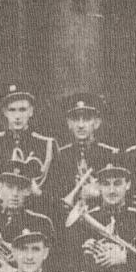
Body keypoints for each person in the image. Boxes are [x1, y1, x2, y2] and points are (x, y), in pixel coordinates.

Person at [60, 164, 136, 272]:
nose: (111, 190)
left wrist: (125, 258)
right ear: (99, 187)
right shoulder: (87, 217)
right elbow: (72, 262)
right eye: (106, 184)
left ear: (128, 185)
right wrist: (88, 254)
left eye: (117, 183)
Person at [0, 84, 57, 209]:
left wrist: (39, 193)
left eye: (22, 110)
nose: (17, 116)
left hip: (36, 214)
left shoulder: (47, 145)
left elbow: (56, 189)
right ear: (5, 112)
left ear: (31, 111)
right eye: (12, 110)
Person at [51, 93, 119, 225]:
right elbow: (56, 193)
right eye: (76, 119)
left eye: (87, 119)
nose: (81, 125)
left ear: (97, 123)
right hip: (68, 221)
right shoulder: (60, 155)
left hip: (101, 219)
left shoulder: (111, 154)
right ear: (69, 123)